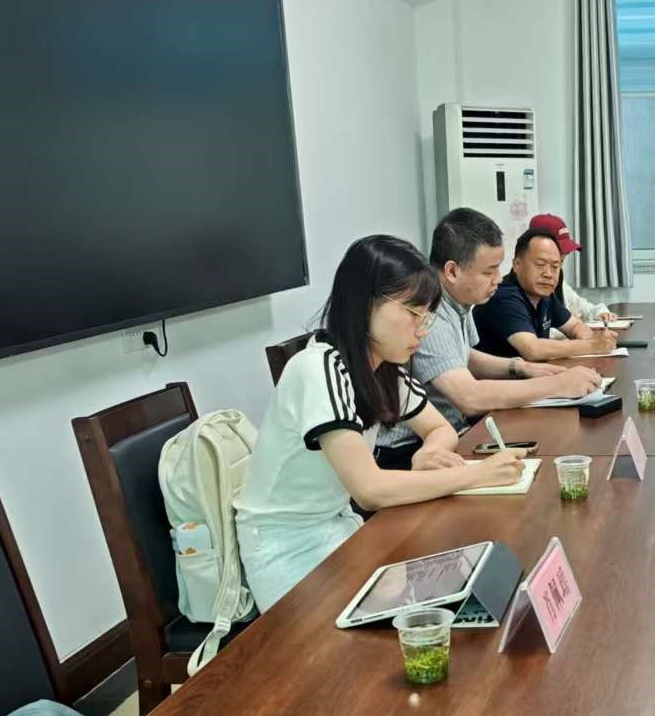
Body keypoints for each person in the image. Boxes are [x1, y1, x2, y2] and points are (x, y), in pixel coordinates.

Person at [235, 236, 525, 612]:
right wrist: (476, 475)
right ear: (365, 304)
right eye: (413, 313)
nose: (422, 329)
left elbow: (440, 429)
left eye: (427, 315)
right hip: (285, 547)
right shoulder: (319, 368)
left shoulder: (382, 366)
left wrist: (429, 452)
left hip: (338, 525)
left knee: (442, 597)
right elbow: (369, 490)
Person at [374, 209, 603, 467]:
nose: (497, 279)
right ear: (452, 271)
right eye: (488, 272)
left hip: (450, 433)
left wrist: (520, 367)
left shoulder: (458, 302)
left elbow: (462, 355)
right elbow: (470, 398)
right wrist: (557, 385)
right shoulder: (430, 312)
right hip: (410, 449)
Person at [473, 229, 618, 361]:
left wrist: (591, 340)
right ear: (517, 264)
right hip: (499, 380)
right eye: (540, 264)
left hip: (533, 375)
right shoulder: (503, 296)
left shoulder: (544, 295)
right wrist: (592, 346)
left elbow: (574, 326)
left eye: (555, 266)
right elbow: (533, 350)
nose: (548, 274)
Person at [526, 213, 617, 326]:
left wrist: (599, 312)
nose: (565, 253)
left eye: (560, 262)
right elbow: (537, 332)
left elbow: (580, 306)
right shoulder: (519, 290)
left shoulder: (558, 279)